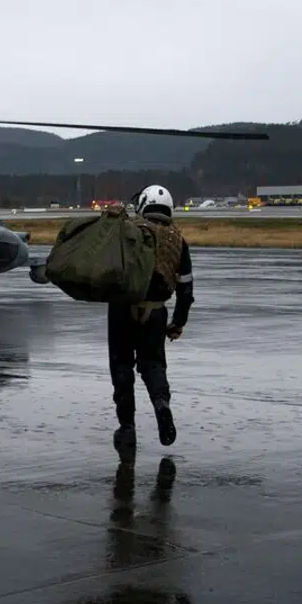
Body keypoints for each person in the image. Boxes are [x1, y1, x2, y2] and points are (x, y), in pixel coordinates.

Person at [109, 184, 193, 449]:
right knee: (153, 365)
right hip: (157, 312)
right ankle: (161, 405)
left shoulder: (130, 231)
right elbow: (186, 289)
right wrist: (178, 322)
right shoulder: (179, 241)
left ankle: (127, 428)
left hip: (122, 308)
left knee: (122, 367)